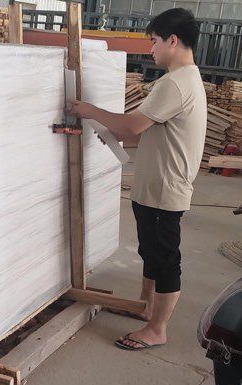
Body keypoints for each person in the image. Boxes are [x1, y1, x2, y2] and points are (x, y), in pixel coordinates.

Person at [67, 8, 206, 351]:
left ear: (173, 41)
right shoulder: (185, 79)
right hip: (156, 186)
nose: (151, 49)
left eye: (154, 41)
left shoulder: (175, 83)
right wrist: (116, 133)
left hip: (164, 189)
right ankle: (146, 307)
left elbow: (132, 125)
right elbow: (151, 131)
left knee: (164, 260)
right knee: (151, 251)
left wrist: (89, 110)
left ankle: (157, 329)